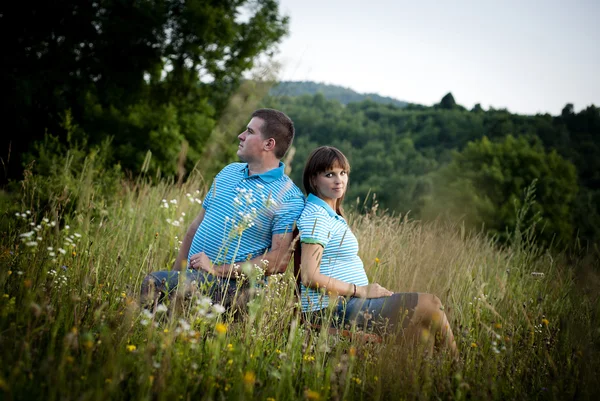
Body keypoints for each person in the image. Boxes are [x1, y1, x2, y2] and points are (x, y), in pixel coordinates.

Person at [298, 146, 457, 355]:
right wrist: (361, 290)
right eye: (330, 174)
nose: (339, 180)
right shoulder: (316, 216)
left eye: (343, 173)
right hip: (330, 308)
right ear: (313, 180)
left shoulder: (329, 214)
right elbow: (309, 276)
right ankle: (459, 370)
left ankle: (440, 379)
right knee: (431, 303)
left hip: (349, 303)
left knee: (420, 333)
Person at [141, 109, 305, 309]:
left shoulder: (288, 195)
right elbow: (195, 228)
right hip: (195, 277)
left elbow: (278, 261)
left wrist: (216, 270)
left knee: (154, 283)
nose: (241, 136)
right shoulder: (229, 171)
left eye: (250, 131)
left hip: (235, 287)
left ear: (268, 144)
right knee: (162, 289)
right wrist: (175, 276)